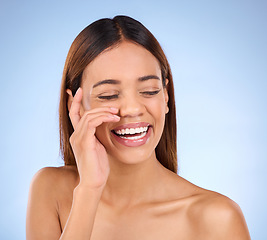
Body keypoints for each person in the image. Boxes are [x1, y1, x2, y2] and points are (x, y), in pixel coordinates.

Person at [26, 15, 250, 240]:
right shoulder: (49, 189)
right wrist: (89, 191)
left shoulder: (218, 218)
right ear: (74, 105)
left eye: (150, 91)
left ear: (166, 97)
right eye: (109, 95)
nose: (132, 109)